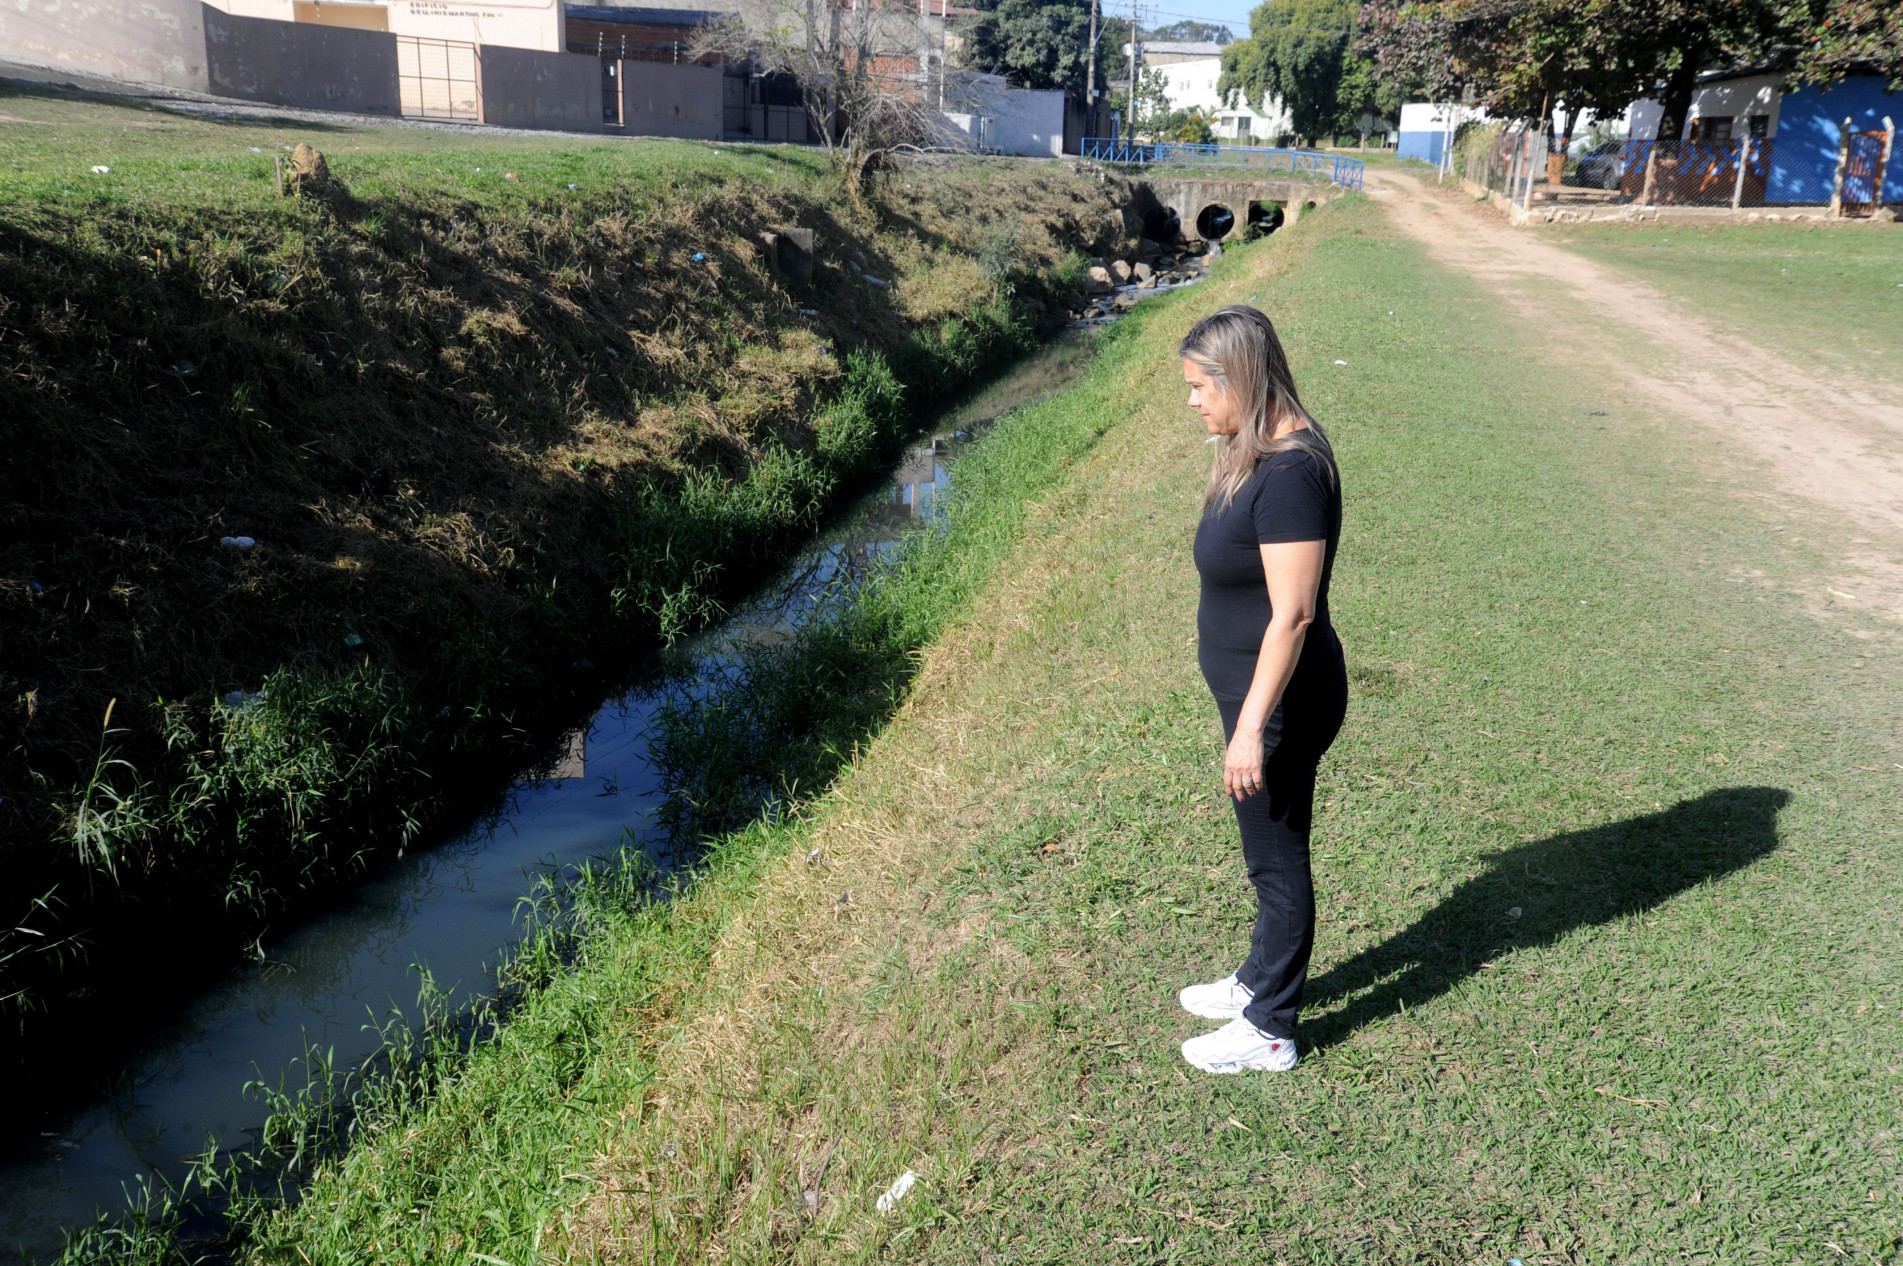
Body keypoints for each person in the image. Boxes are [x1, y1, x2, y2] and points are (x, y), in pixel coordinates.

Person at [1174, 305, 1348, 1074]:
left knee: (1276, 862)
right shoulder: (1253, 451)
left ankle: (1271, 1028)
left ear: (1237, 378)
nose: (1191, 403)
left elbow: (1294, 613)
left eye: (1197, 387)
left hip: (1277, 705)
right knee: (1266, 854)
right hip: (1254, 698)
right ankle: (1256, 981)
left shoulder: (1290, 474)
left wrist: (1250, 728)